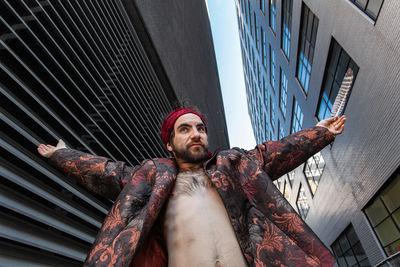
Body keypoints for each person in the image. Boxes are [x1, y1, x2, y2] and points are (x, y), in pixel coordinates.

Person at [37, 107, 346, 266]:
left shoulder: (233, 167)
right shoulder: (153, 178)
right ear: (170, 143)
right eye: (185, 129)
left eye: (200, 128)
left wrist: (319, 133)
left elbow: (274, 152)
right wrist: (61, 154)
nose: (196, 134)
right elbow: (106, 171)